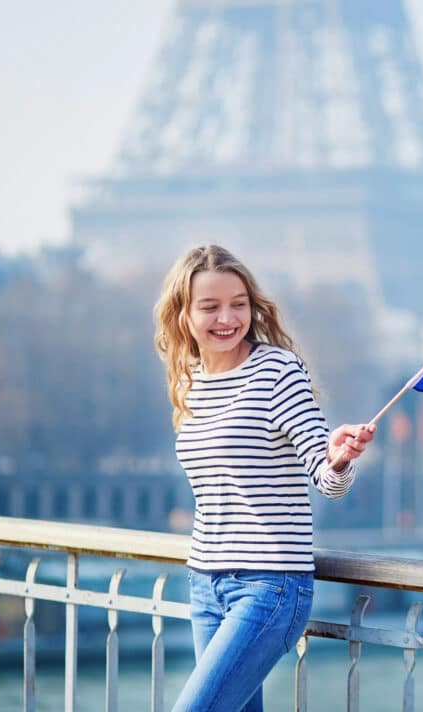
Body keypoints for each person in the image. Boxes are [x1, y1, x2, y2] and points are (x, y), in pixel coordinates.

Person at [153, 244, 375, 711]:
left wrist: (337, 458)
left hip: (269, 585)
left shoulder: (277, 371)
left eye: (238, 303)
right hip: (204, 584)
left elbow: (327, 478)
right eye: (210, 307)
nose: (227, 318)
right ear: (183, 314)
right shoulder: (188, 381)